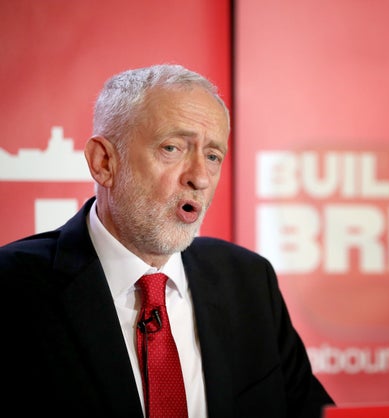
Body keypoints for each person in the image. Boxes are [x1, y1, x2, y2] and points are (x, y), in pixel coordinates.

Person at [0, 64, 334, 417]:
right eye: (172, 148)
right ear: (104, 162)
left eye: (212, 155)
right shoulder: (12, 287)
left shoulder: (249, 281)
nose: (200, 178)